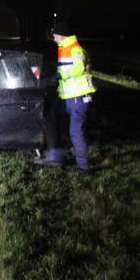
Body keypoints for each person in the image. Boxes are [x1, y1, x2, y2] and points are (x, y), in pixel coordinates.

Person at [34, 20, 95, 172]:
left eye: (54, 34)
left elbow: (78, 69)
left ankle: (83, 167)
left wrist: (58, 75)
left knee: (75, 132)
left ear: (61, 35)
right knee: (50, 117)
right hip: (69, 97)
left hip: (79, 97)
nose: (53, 37)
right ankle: (55, 156)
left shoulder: (75, 49)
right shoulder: (64, 48)